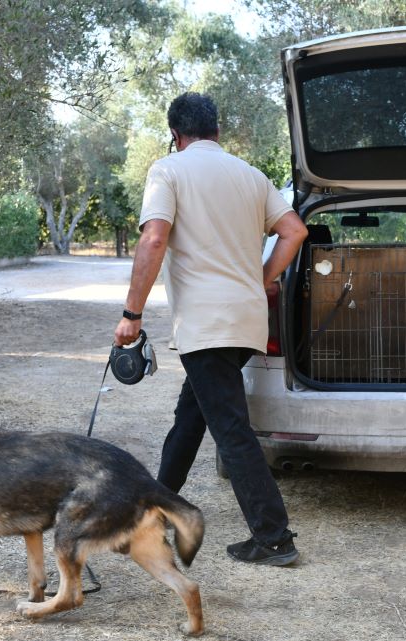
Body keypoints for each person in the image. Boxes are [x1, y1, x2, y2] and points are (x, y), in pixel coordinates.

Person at [113, 91, 308, 567]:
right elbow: (295, 231)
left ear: (175, 135)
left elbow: (154, 237)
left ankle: (274, 538)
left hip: (207, 324)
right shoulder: (251, 175)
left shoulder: (168, 170)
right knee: (190, 418)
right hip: (244, 321)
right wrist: (261, 279)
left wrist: (131, 315)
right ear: (217, 131)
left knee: (231, 431)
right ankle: (152, 517)